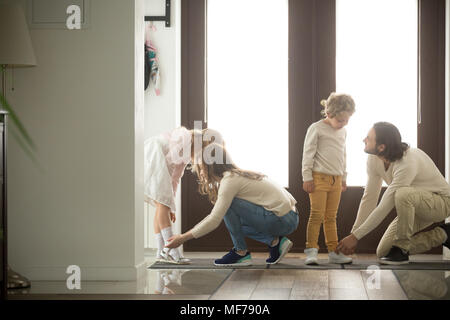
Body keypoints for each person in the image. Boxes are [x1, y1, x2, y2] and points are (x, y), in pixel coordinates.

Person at [164, 143, 300, 266]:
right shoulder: (237, 175)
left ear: (210, 166)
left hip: (283, 220)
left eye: (201, 167)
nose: (200, 172)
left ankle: (240, 253)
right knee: (236, 223)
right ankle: (275, 242)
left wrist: (182, 238)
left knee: (228, 207)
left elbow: (214, 219)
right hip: (291, 216)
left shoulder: (230, 181)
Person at [337, 122, 450, 265]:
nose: (363, 140)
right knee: (384, 252)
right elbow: (370, 198)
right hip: (413, 205)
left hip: (441, 203)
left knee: (402, 194)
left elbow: (386, 204)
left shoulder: (408, 161)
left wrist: (355, 237)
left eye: (368, 138)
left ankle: (401, 249)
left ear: (381, 147)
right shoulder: (374, 159)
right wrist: (354, 235)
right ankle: (443, 234)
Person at [144, 126, 223, 264]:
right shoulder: (185, 137)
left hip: (156, 155)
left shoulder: (186, 154)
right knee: (163, 203)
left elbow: (175, 178)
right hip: (155, 153)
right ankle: (172, 251)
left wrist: (171, 206)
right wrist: (168, 204)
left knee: (162, 204)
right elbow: (171, 161)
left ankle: (161, 252)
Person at [302, 92, 356, 265]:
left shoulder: (343, 132)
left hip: (337, 179)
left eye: (347, 120)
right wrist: (307, 177)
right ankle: (311, 251)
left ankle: (334, 251)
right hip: (319, 179)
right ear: (329, 114)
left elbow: (343, 155)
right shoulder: (316, 128)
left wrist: (344, 177)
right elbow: (308, 154)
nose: (343, 124)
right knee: (316, 215)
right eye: (340, 121)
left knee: (331, 217)